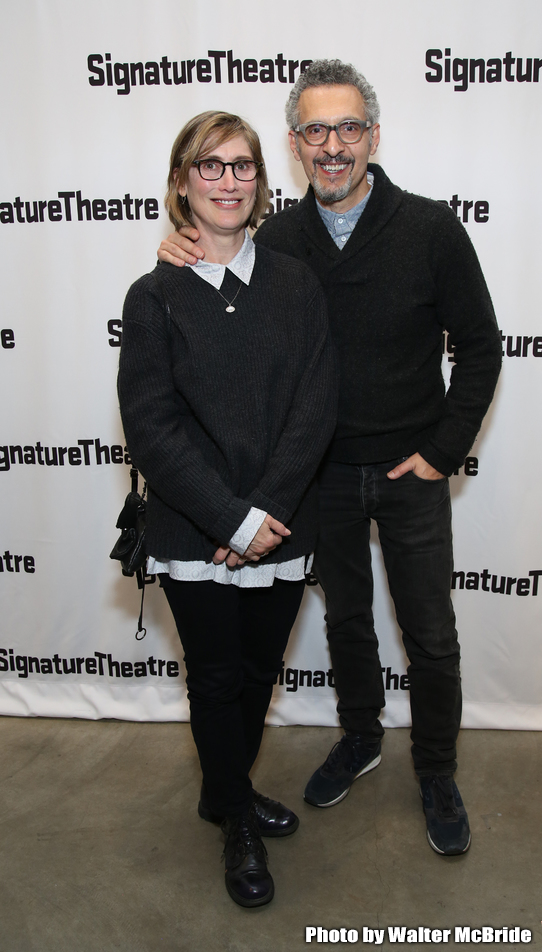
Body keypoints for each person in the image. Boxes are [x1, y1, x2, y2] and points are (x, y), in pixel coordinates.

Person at [157, 61, 503, 857]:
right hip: (318, 479)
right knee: (348, 622)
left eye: (349, 127)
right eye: (316, 130)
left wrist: (443, 450)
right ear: (295, 146)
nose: (334, 145)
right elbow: (214, 272)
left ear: (373, 136)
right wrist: (182, 247)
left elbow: (480, 347)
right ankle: (360, 737)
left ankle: (437, 771)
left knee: (431, 633)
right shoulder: (274, 239)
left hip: (410, 472)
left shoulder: (430, 227)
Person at [118, 110, 337, 907]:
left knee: (255, 674)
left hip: (282, 526)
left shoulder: (294, 282)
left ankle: (223, 791)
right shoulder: (154, 296)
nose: (228, 181)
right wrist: (230, 519)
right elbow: (152, 425)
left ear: (261, 181)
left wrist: (265, 513)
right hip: (194, 532)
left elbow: (317, 401)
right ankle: (237, 815)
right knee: (214, 681)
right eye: (209, 167)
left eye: (242, 166)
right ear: (182, 183)